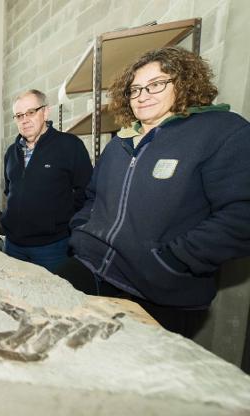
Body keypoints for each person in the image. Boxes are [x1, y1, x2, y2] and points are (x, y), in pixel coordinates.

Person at [55, 46, 250, 338]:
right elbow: (93, 198)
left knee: (129, 379)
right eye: (134, 90)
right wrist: (82, 231)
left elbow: (241, 216)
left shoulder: (222, 132)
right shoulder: (118, 143)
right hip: (91, 267)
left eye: (156, 84)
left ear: (183, 83)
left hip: (158, 292)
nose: (143, 95)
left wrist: (174, 260)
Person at [1, 89, 93, 272]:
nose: (24, 120)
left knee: (53, 298)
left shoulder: (69, 145)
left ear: (45, 111)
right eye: (19, 115)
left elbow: (86, 192)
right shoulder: (11, 152)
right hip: (13, 246)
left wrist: (62, 224)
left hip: (52, 248)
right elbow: (10, 190)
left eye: (31, 112)